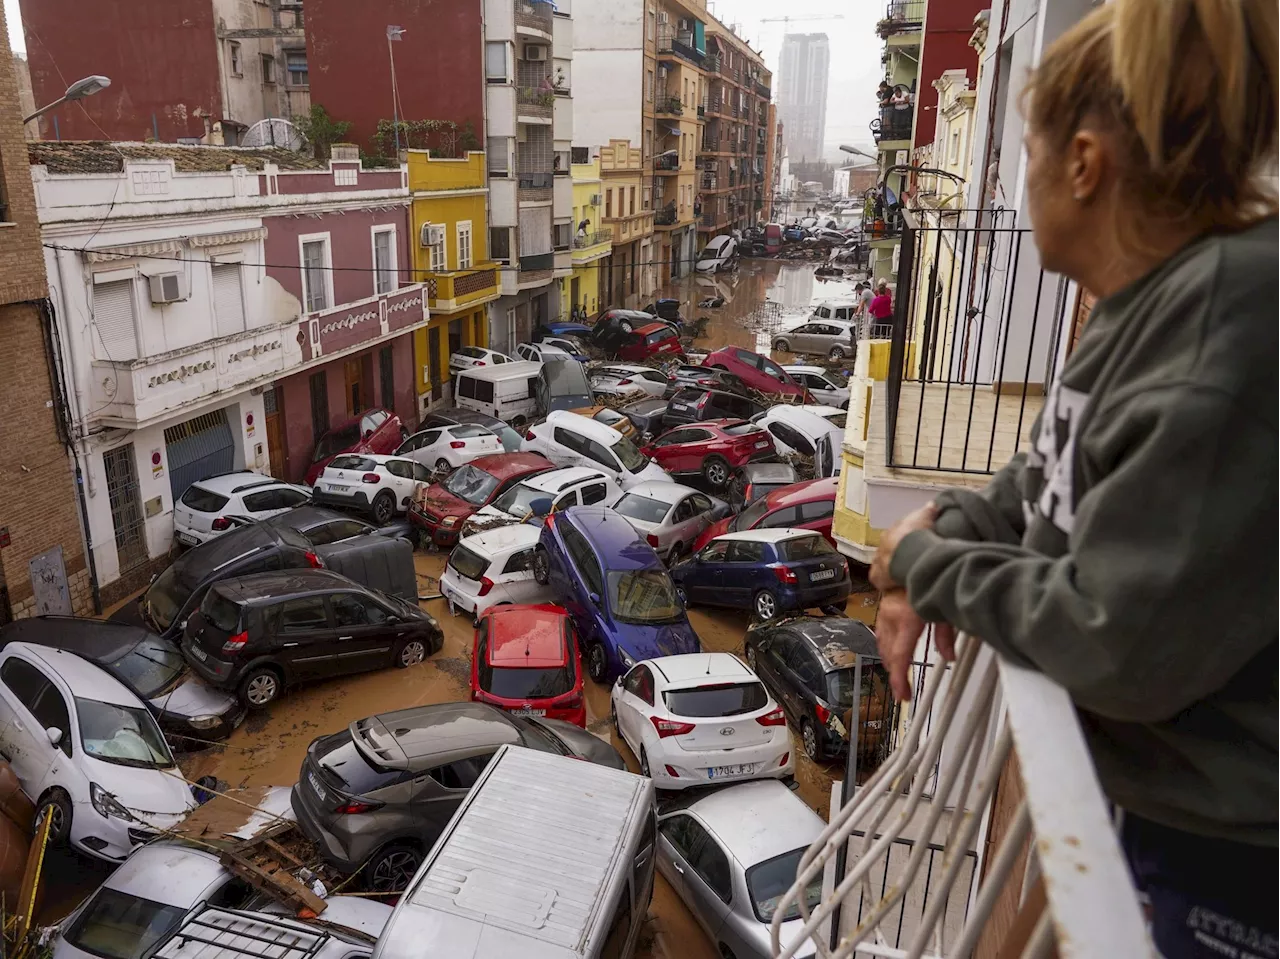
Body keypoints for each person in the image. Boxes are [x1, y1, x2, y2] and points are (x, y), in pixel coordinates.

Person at [867, 1, 1280, 957]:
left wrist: (926, 562)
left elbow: (1115, 640)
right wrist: (940, 530)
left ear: (1085, 163)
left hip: (1232, 863)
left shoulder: (1227, 324)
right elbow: (1042, 479)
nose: (1021, 181)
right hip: (1166, 815)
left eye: (1027, 151)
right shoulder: (1149, 308)